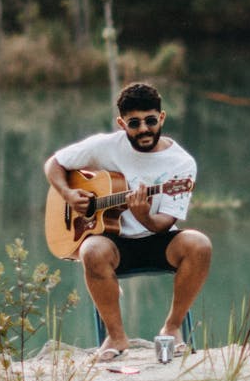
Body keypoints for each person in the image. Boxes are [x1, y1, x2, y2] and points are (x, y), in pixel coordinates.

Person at [44, 81, 212, 362]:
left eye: (150, 120)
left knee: (200, 244)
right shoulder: (105, 146)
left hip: (159, 239)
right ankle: (116, 337)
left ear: (162, 117)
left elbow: (163, 224)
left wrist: (143, 214)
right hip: (115, 243)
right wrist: (69, 194)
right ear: (122, 123)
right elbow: (55, 163)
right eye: (134, 123)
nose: (144, 129)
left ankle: (172, 328)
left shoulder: (181, 164)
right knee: (90, 250)